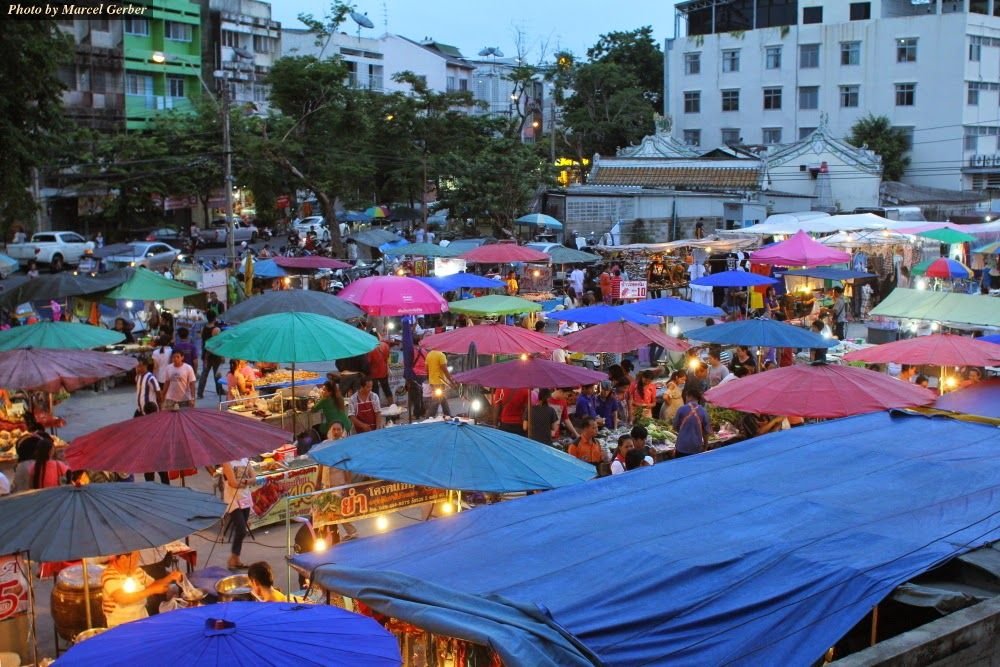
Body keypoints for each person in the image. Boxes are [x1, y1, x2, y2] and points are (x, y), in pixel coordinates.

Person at [101, 551, 182, 628]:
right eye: (135, 557)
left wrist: (169, 578)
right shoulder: (109, 575)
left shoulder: (137, 571)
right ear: (123, 558)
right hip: (119, 624)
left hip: (141, 618)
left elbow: (153, 584)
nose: (137, 560)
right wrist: (152, 590)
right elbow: (122, 598)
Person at [222, 458, 254, 570]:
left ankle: (236, 559)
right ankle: (233, 558)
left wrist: (244, 482)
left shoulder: (246, 460)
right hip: (233, 501)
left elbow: (254, 478)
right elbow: (232, 483)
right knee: (241, 529)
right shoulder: (227, 462)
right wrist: (246, 481)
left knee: (241, 531)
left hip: (245, 498)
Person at [672, 386, 711, 457]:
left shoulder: (681, 409)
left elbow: (675, 427)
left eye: (686, 396)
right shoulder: (703, 411)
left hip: (682, 446)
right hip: (696, 446)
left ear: (689, 396)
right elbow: (706, 432)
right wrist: (705, 447)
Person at [197, 313, 224, 400]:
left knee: (204, 374)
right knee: (217, 374)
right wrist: (222, 355)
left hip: (206, 355)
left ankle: (200, 393)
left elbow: (203, 340)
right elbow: (218, 343)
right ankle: (219, 390)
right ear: (215, 318)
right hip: (215, 354)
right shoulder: (216, 330)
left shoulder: (203, 329)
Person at [424, 345, 453, 417]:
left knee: (442, 398)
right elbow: (445, 370)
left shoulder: (429, 355)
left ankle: (448, 414)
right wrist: (451, 381)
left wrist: (429, 379)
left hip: (432, 381)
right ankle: (429, 416)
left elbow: (426, 369)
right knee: (436, 400)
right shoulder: (441, 355)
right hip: (440, 381)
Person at [366, 334, 392, 400]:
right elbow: (388, 357)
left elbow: (368, 362)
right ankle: (392, 405)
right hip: (384, 371)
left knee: (375, 391)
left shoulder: (371, 348)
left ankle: (377, 407)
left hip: (374, 373)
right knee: (386, 389)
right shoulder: (385, 345)